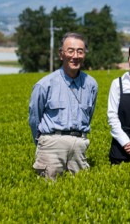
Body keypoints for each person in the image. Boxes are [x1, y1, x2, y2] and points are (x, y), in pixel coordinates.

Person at [29, 32, 98, 180]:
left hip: (79, 145)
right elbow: (34, 119)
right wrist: (43, 143)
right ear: (61, 54)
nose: (75, 55)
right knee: (47, 194)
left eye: (80, 51)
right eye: (70, 50)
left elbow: (89, 115)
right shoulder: (44, 85)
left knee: (82, 192)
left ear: (84, 54)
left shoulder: (91, 84)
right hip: (51, 145)